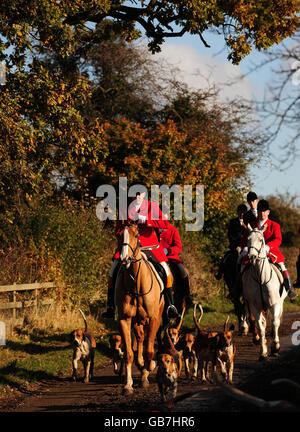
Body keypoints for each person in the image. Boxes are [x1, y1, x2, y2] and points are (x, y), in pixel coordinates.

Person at [102, 191, 180, 319]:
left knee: (166, 271)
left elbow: (164, 223)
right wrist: (124, 236)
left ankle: (170, 305)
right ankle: (110, 306)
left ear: (144, 195)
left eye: (140, 194)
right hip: (130, 248)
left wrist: (148, 221)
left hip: (150, 247)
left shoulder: (152, 206)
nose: (137, 196)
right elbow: (117, 230)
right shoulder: (123, 208)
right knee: (112, 271)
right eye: (135, 193)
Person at [239, 199, 297, 302]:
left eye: (264, 211)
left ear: (268, 212)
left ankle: (289, 289)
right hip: (254, 253)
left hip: (271, 253)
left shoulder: (275, 225)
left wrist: (268, 246)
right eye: (260, 211)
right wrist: (245, 248)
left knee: (282, 266)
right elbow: (244, 239)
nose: (262, 213)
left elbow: (278, 239)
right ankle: (238, 290)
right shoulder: (252, 225)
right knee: (242, 266)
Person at [159, 222, 194, 309]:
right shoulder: (152, 230)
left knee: (182, 271)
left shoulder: (173, 230)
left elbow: (178, 247)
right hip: (157, 258)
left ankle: (187, 296)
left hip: (171, 258)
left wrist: (167, 251)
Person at [215, 203, 247, 281]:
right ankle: (220, 273)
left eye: (244, 212)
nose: (242, 214)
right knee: (225, 256)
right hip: (234, 245)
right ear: (237, 212)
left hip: (245, 246)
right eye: (240, 212)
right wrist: (235, 241)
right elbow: (229, 234)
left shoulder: (248, 223)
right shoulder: (233, 222)